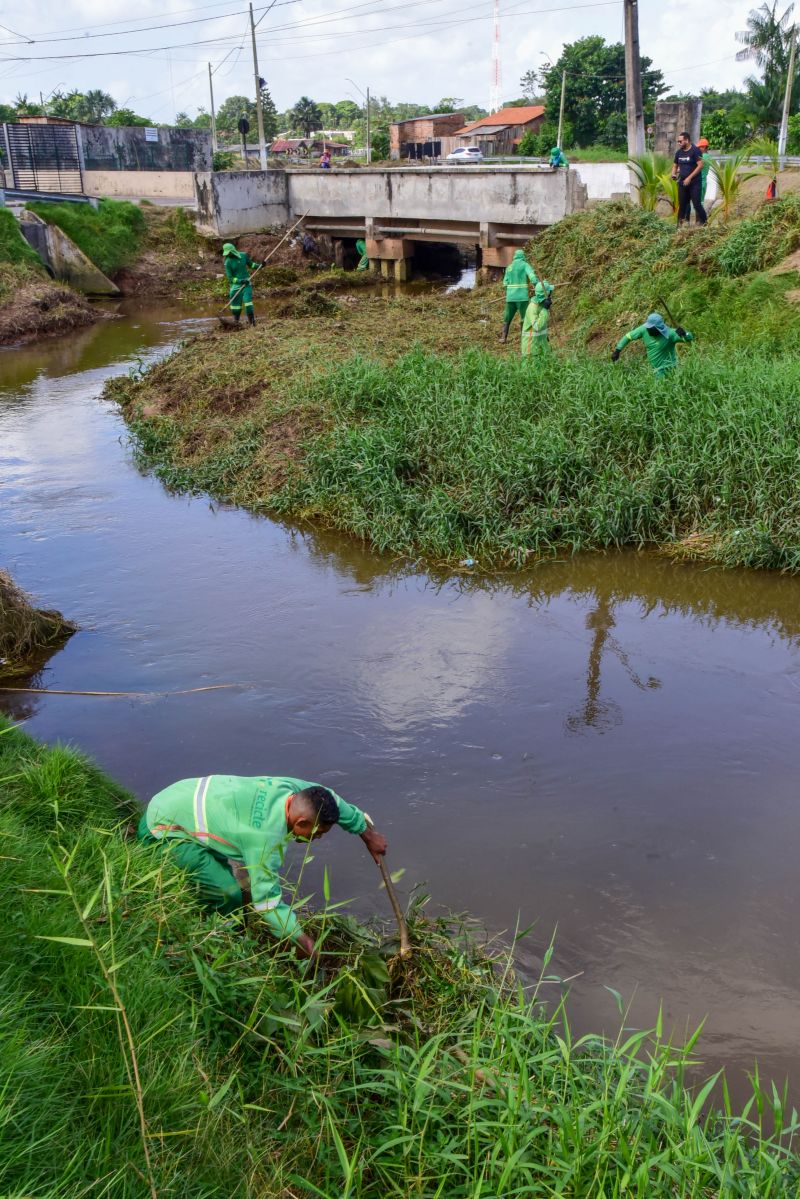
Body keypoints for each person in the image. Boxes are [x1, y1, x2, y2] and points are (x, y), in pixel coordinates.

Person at [138, 774, 388, 961]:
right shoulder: (266, 838)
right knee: (228, 893)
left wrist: (366, 833)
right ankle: (224, 939)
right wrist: (300, 939)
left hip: (177, 796)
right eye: (317, 832)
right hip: (162, 828)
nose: (318, 838)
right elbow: (267, 903)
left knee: (245, 882)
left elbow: (328, 796)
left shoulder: (289, 791)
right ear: (301, 821)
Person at [611, 312, 694, 376]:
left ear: (659, 328)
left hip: (670, 368)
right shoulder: (644, 329)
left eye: (651, 328)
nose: (648, 330)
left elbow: (689, 338)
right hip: (655, 370)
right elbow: (628, 336)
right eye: (648, 327)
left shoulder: (670, 334)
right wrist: (618, 350)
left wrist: (685, 334)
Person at [500, 249, 538, 343]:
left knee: (507, 317)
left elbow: (505, 283)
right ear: (523, 256)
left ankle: (503, 337)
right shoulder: (525, 265)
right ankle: (523, 337)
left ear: (515, 256)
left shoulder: (509, 267)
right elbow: (532, 276)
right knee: (524, 317)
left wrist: (509, 292)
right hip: (522, 297)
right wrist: (536, 285)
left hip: (510, 297)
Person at [672, 131, 707, 226]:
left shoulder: (695, 151)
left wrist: (689, 178)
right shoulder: (679, 153)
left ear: (687, 140)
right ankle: (679, 227)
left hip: (695, 183)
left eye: (680, 141)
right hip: (683, 183)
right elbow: (675, 165)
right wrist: (673, 174)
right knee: (682, 205)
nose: (679, 143)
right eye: (678, 141)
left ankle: (705, 223)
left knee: (697, 204)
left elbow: (700, 166)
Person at [222, 242, 261, 326]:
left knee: (248, 303)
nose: (228, 255)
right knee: (235, 307)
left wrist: (260, 266)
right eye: (227, 253)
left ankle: (252, 324)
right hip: (235, 286)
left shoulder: (243, 255)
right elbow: (230, 278)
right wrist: (240, 281)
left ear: (233, 251)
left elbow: (251, 264)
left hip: (246, 284)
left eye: (229, 253)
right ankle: (236, 323)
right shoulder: (228, 262)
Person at [520, 279, 555, 358]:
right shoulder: (533, 307)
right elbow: (536, 326)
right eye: (550, 292)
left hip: (541, 346)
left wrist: (545, 337)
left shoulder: (541, 305)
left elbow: (542, 324)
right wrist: (545, 310)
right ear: (546, 294)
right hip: (531, 348)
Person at [697, 137, 711, 206]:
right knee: (701, 201)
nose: (698, 149)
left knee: (698, 202)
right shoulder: (708, 156)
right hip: (703, 181)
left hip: (700, 182)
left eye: (700, 147)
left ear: (705, 147)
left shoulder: (703, 157)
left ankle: (699, 216)